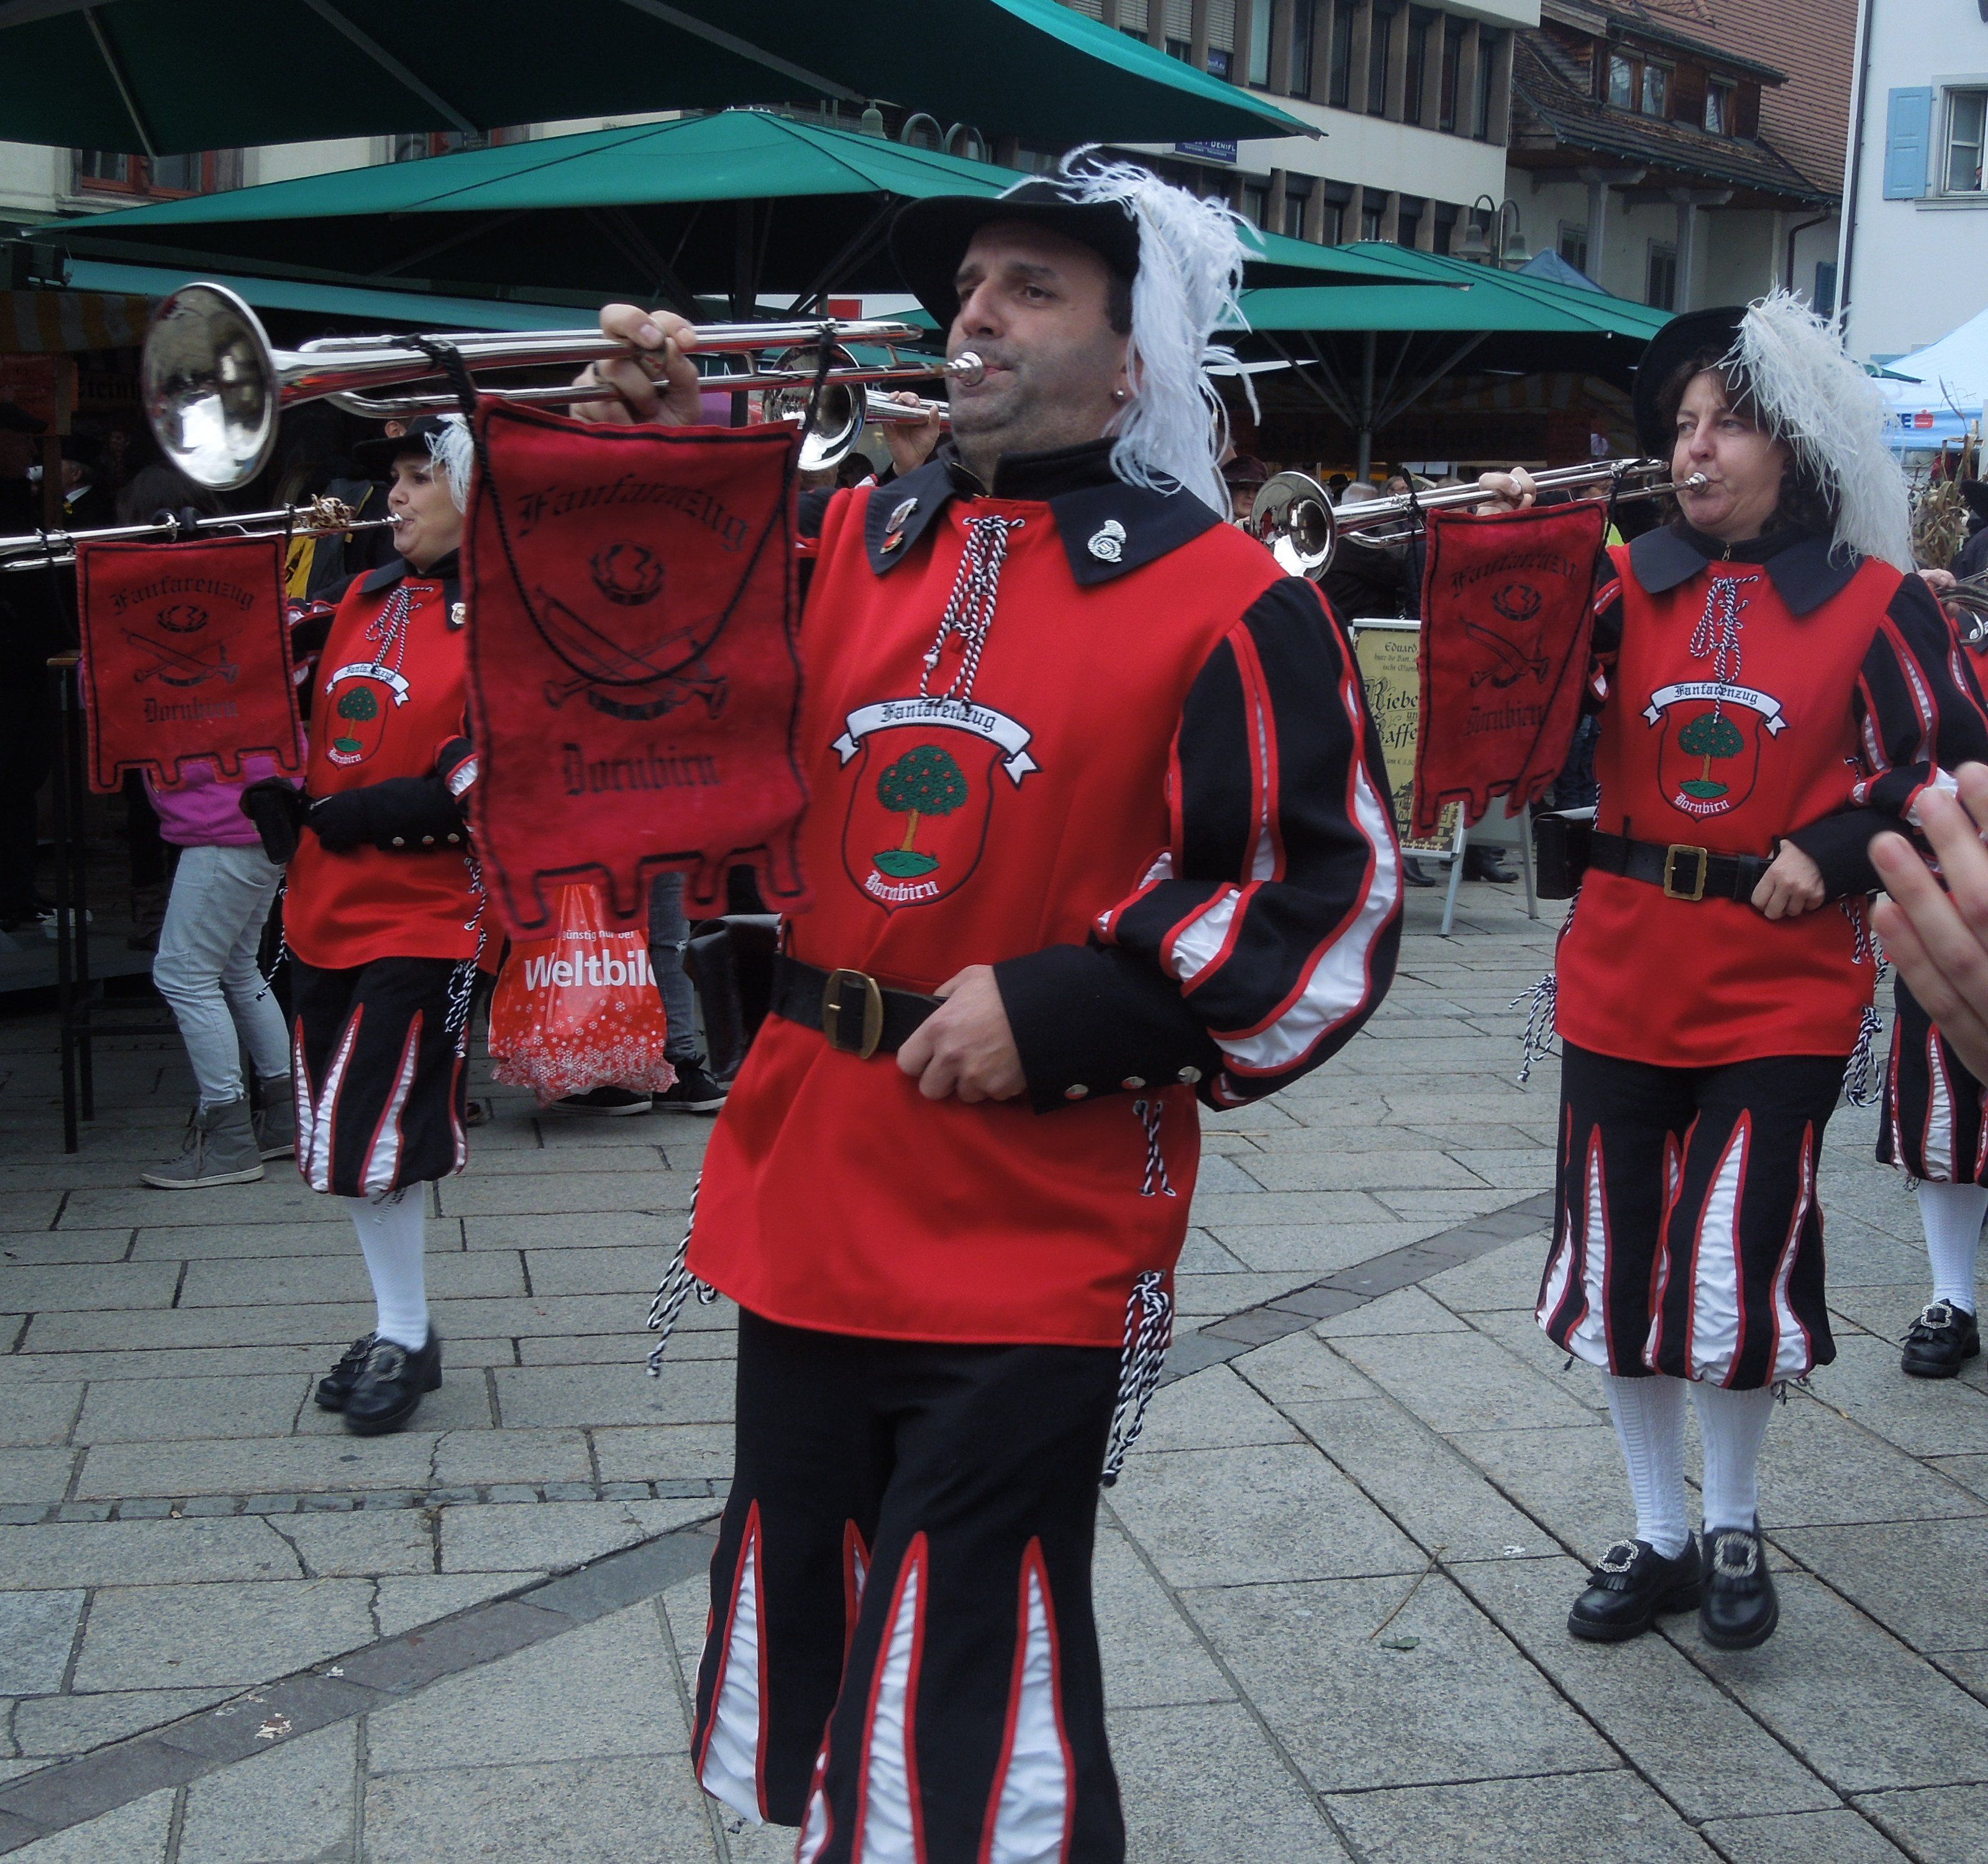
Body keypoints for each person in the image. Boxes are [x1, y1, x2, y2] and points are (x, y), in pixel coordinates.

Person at [592, 155, 1400, 1853]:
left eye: (1035, 289)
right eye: (972, 281)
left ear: (1134, 360)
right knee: (819, 1623)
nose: (978, 311)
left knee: (973, 1654)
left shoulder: (1237, 597)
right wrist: (641, 460)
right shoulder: (847, 541)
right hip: (809, 1183)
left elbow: (1325, 904)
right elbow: (630, 682)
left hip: (1039, 1217)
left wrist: (1076, 1006)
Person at [1494, 293, 1988, 1653]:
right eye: (1684, 426)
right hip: (1618, 968)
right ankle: (1656, 1532)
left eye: (1728, 424)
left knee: (1731, 1253)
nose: (1694, 450)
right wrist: (1509, 551)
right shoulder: (1625, 576)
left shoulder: (1878, 598)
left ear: (1798, 443)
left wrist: (1835, 846)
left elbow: (1946, 763)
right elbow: (1503, 684)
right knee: (1618, 1257)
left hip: (1779, 988)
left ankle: (1733, 1522)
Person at [244, 414, 483, 1436]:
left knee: (368, 1127)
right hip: (324, 907)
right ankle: (405, 1326)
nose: (397, 496)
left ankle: (408, 1328)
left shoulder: (508, 619)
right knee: (350, 1136)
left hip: (428, 918)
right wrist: (280, 802)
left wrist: (374, 811)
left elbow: (489, 781)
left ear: (474, 491)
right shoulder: (360, 594)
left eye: (421, 477)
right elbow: (306, 723)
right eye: (394, 477)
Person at [139, 754, 299, 1187]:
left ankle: (229, 1139)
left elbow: (102, 693)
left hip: (222, 822)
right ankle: (285, 1115)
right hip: (260, 816)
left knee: (184, 976)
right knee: (238, 969)